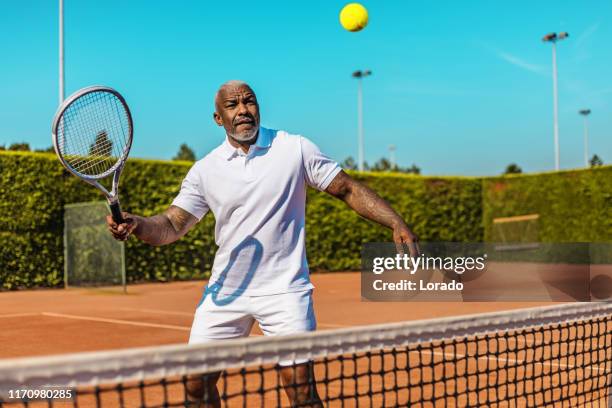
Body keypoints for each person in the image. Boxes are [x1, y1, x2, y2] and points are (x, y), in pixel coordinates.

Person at [106, 80, 419, 407]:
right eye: (232, 105)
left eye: (249, 102)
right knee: (195, 385)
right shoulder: (205, 170)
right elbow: (171, 224)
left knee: (300, 388)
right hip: (225, 293)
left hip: (285, 290)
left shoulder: (294, 148)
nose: (243, 110)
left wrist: (394, 220)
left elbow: (347, 189)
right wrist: (139, 224)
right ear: (218, 118)